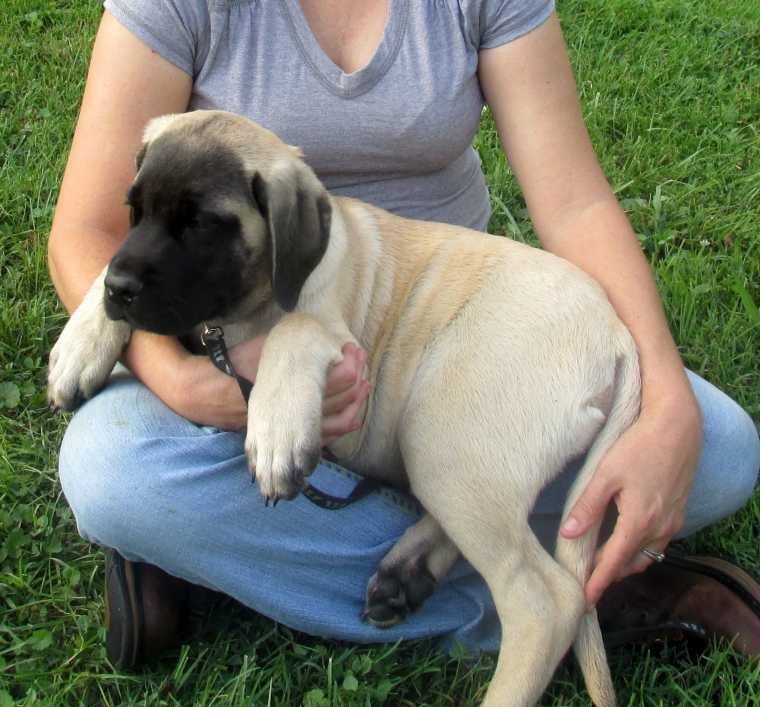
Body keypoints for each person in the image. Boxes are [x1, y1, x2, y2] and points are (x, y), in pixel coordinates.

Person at [49, 0, 760, 668]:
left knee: (721, 452)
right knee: (114, 470)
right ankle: (568, 594)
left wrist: (666, 400)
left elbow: (574, 205)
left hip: (443, 347)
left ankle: (235, 554)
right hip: (236, 345)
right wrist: (186, 385)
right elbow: (86, 231)